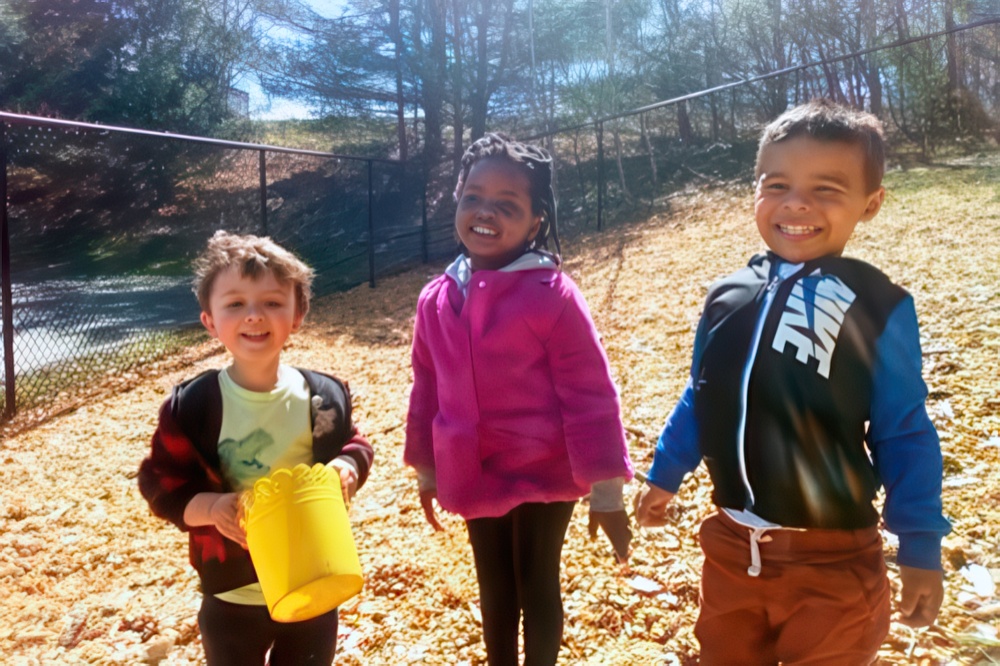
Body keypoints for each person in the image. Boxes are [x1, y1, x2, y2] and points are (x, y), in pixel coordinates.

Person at [635, 99, 951, 665]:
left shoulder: (878, 304)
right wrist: (665, 473)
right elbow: (699, 395)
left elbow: (903, 431)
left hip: (832, 560)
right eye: (776, 184)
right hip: (731, 550)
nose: (796, 203)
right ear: (755, 191)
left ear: (870, 203)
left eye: (827, 188)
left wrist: (921, 544)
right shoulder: (725, 295)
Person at [404, 133, 634, 665]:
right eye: (473, 198)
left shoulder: (551, 295)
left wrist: (606, 492)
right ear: (457, 202)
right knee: (494, 585)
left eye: (507, 205)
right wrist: (426, 468)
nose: (486, 213)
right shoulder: (436, 298)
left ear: (535, 222)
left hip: (545, 473)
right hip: (474, 468)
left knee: (536, 581)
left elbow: (590, 395)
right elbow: (426, 386)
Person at [138, 230, 374, 666]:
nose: (254, 316)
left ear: (297, 314)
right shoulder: (194, 407)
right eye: (235, 304)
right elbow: (161, 485)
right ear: (210, 320)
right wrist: (211, 508)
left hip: (315, 579)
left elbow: (355, 443)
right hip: (232, 591)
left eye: (271, 302)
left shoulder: (322, 395)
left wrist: (346, 467)